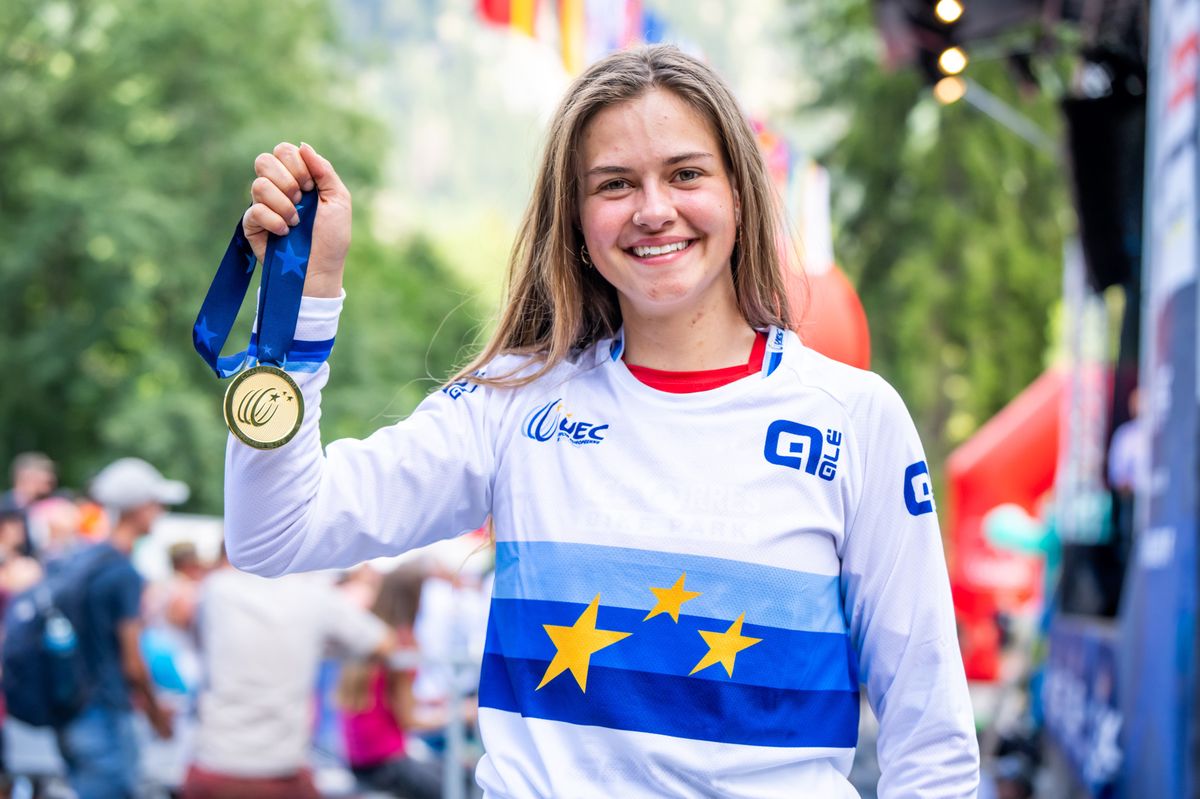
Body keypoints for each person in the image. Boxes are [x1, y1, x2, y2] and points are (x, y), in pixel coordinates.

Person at [223, 45, 978, 797]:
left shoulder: (854, 417)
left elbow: (931, 741)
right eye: (615, 184)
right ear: (577, 220)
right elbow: (275, 532)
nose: (654, 209)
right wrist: (303, 298)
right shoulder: (512, 404)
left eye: (686, 173)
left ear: (740, 194)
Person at [182, 548, 392, 799]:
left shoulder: (216, 589)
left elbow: (198, 642)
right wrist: (321, 647)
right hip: (281, 768)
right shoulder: (313, 593)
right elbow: (382, 642)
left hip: (216, 761)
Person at [55, 457, 186, 799]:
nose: (161, 513)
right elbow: (133, 661)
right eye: (158, 504)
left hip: (72, 707)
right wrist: (157, 715)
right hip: (106, 713)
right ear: (139, 508)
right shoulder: (123, 573)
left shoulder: (83, 559)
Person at [338, 564, 444, 799]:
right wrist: (462, 713)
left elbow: (390, 704)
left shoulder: (373, 638)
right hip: (387, 763)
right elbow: (410, 720)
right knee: (461, 783)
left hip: (361, 762)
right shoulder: (399, 646)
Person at [0, 452, 56, 558]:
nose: (50, 480)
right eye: (44, 478)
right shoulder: (7, 509)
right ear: (27, 477)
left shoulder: (32, 507)